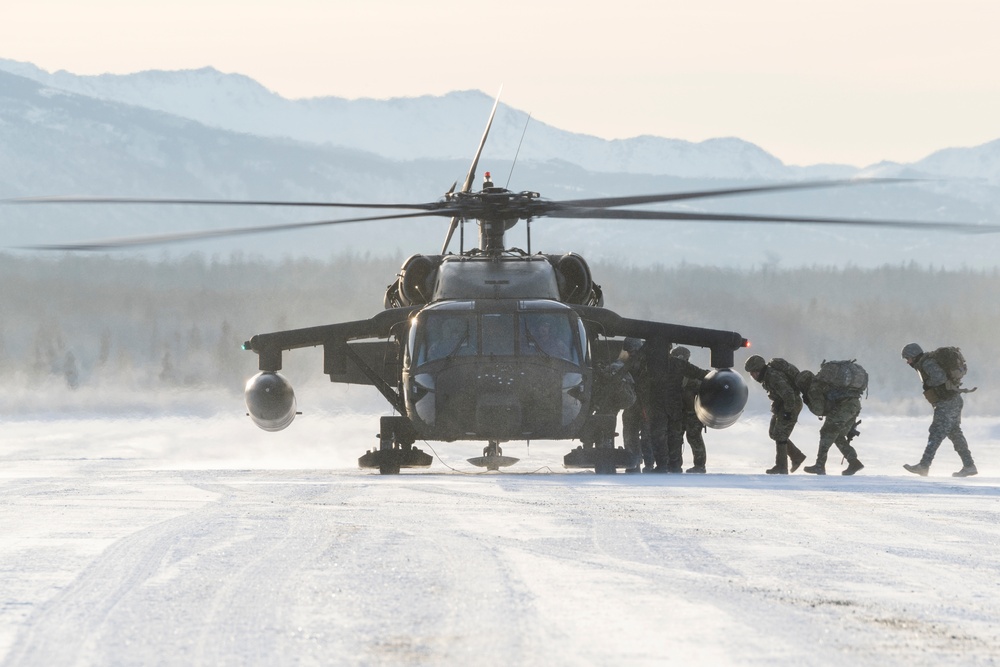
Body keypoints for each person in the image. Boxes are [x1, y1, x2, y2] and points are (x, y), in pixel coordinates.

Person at [901, 343, 977, 477]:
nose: (908, 362)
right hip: (952, 400)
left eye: (908, 358)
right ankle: (969, 465)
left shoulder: (927, 363)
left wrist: (928, 384)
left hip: (947, 403)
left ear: (914, 355)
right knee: (955, 434)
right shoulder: (926, 362)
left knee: (936, 433)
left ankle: (924, 466)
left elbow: (939, 378)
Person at [646, 340, 708, 473]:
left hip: (659, 406)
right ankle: (674, 465)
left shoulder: (652, 364)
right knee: (674, 436)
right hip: (674, 406)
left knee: (660, 435)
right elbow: (702, 374)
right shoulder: (678, 364)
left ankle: (663, 465)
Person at [795, 367, 865, 476]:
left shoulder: (814, 388)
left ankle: (819, 466)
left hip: (843, 407)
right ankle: (854, 462)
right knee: (837, 435)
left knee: (826, 432)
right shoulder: (822, 382)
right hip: (854, 404)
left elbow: (818, 410)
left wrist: (808, 401)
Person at [744, 355, 807, 474]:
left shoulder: (773, 376)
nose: (752, 375)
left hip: (790, 404)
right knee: (773, 432)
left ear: (758, 370)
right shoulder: (767, 376)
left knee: (780, 435)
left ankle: (781, 467)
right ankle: (796, 456)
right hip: (782, 405)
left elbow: (788, 394)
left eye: (753, 372)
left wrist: (788, 412)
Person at [670, 346, 708, 473]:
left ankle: (699, 465)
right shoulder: (684, 373)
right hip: (680, 411)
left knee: (693, 437)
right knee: (677, 437)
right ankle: (675, 464)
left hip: (692, 412)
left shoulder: (692, 374)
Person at [620, 338, 652, 473]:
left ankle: (649, 463)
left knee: (647, 435)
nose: (631, 354)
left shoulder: (648, 362)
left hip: (645, 403)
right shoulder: (625, 361)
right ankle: (633, 462)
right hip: (632, 403)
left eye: (632, 351)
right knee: (629, 433)